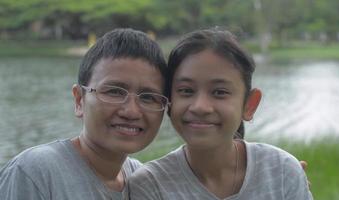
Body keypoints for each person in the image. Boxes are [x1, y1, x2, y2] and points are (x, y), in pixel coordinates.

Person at [128, 28, 313, 199]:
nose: (200, 107)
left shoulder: (281, 171)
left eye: (219, 92)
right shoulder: (150, 185)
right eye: (186, 90)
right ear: (169, 100)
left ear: (249, 105)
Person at [0, 28, 169, 200]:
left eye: (148, 97)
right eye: (114, 92)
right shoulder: (36, 172)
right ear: (79, 100)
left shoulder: (143, 182)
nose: (131, 111)